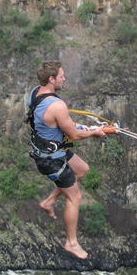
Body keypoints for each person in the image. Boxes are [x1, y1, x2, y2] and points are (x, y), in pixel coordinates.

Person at [26, 61, 106, 259]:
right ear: (52, 79)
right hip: (51, 159)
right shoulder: (57, 105)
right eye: (61, 75)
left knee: (81, 169)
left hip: (53, 150)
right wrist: (93, 133)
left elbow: (60, 125)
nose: (65, 78)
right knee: (75, 197)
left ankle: (49, 201)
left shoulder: (36, 92)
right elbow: (74, 135)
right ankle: (71, 243)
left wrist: (83, 127)